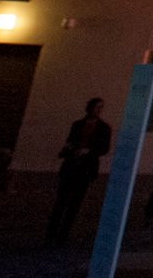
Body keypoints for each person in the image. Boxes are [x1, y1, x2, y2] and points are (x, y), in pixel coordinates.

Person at [46, 97, 112, 245]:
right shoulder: (77, 124)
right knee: (61, 200)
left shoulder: (104, 128)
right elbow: (70, 140)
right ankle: (51, 233)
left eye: (101, 107)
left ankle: (63, 234)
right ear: (90, 108)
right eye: (97, 107)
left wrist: (88, 151)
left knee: (75, 203)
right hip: (71, 165)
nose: (99, 110)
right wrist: (70, 149)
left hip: (86, 168)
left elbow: (104, 148)